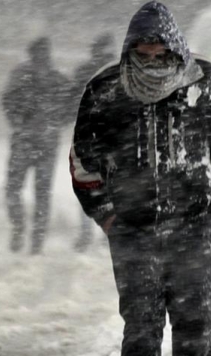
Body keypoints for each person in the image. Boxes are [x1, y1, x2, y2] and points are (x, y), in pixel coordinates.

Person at [70, 1, 211, 356]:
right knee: (141, 330)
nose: (151, 63)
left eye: (159, 54)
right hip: (133, 231)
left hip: (194, 227)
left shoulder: (207, 85)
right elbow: (84, 165)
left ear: (175, 50)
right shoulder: (106, 92)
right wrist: (108, 216)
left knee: (194, 322)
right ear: (129, 51)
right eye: (142, 55)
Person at [1, 36, 71, 254]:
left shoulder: (22, 75)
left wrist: (18, 122)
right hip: (45, 142)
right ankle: (35, 238)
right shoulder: (58, 79)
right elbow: (72, 107)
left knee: (15, 188)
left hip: (26, 140)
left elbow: (6, 101)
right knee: (40, 193)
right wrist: (55, 124)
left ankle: (20, 228)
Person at [70, 33, 116, 253]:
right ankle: (109, 231)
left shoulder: (84, 71)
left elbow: (72, 100)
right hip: (115, 137)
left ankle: (86, 233)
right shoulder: (119, 70)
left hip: (88, 136)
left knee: (87, 184)